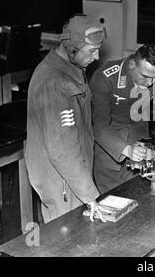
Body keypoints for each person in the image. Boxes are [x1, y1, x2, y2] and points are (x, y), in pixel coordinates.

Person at [25, 14, 106, 223]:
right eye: (92, 51)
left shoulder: (72, 69)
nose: (96, 57)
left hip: (74, 176)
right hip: (62, 181)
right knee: (66, 242)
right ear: (72, 48)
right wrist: (89, 195)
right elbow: (63, 149)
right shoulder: (54, 83)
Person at [89, 44, 155, 194]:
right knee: (116, 202)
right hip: (110, 151)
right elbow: (99, 126)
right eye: (145, 77)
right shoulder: (105, 77)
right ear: (132, 64)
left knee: (144, 199)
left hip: (143, 148)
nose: (150, 83)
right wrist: (127, 150)